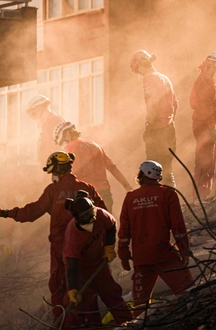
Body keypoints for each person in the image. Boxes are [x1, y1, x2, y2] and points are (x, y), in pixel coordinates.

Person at [0, 152, 106, 318]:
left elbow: (31, 213)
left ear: (56, 170)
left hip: (61, 245)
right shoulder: (87, 187)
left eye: (52, 172)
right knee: (85, 283)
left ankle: (63, 322)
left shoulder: (53, 190)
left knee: (59, 286)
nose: (52, 176)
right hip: (86, 245)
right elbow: (104, 215)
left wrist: (6, 213)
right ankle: (90, 323)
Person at [117, 161, 194, 315]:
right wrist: (184, 251)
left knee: (140, 307)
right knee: (189, 294)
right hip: (165, 255)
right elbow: (178, 226)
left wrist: (124, 256)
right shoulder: (168, 194)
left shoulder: (131, 197)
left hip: (141, 259)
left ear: (141, 175)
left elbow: (124, 231)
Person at [63, 193, 133, 327]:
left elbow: (112, 225)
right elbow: (72, 265)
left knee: (112, 293)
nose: (91, 218)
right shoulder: (73, 235)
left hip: (98, 262)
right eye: (85, 216)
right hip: (80, 268)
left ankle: (129, 324)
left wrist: (109, 246)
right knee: (87, 303)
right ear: (77, 218)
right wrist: (73, 288)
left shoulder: (101, 214)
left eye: (92, 212)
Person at [54, 121, 133, 213]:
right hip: (105, 192)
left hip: (86, 195)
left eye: (63, 141)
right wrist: (128, 187)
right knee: (106, 224)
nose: (65, 144)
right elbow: (112, 168)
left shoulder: (71, 146)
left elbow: (74, 172)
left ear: (67, 134)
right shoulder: (96, 146)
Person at [130, 50, 180, 184]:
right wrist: (169, 120)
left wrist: (149, 125)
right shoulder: (165, 78)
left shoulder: (149, 78)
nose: (138, 74)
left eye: (137, 71)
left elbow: (152, 103)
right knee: (167, 167)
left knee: (152, 169)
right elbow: (175, 103)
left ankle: (156, 201)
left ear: (140, 65)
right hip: (170, 128)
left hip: (157, 130)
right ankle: (172, 196)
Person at [190, 51, 216, 199]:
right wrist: (212, 126)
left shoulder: (206, 80)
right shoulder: (205, 81)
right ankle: (200, 197)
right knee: (204, 163)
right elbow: (205, 106)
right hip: (205, 126)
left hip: (206, 125)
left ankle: (203, 196)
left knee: (208, 163)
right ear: (212, 65)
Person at [26, 95, 66, 163]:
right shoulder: (48, 124)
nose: (35, 118)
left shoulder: (55, 121)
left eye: (34, 114)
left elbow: (62, 147)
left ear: (39, 109)